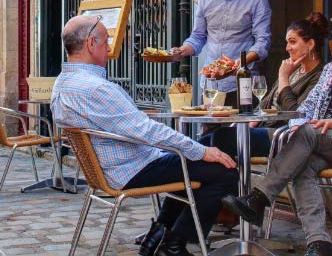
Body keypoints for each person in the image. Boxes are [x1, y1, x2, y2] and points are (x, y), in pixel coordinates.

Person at [51, 15, 238, 256]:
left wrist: (198, 149)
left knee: (198, 151)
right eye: (106, 41)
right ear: (90, 44)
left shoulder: (63, 83)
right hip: (130, 169)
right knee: (225, 169)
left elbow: (132, 125)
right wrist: (201, 152)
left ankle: (157, 236)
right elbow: (147, 131)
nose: (109, 48)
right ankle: (173, 244)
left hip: (112, 167)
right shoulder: (96, 88)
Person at [222, 11, 332, 256]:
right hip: (321, 140)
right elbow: (307, 109)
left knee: (308, 131)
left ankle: (260, 197)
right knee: (303, 164)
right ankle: (319, 244)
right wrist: (297, 124)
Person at [202, 12, 329, 158]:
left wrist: (283, 77)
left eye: (292, 42)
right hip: (265, 128)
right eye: (287, 42)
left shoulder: (320, 75)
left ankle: (230, 180)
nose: (287, 48)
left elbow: (296, 114)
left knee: (221, 137)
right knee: (204, 141)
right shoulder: (294, 70)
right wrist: (252, 121)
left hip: (283, 134)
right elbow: (266, 102)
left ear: (310, 44)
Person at [172, 0, 271, 107]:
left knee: (240, 131)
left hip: (241, 83)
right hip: (211, 84)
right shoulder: (205, 1)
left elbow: (263, 41)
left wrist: (242, 61)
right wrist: (182, 50)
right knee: (208, 131)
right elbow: (198, 37)